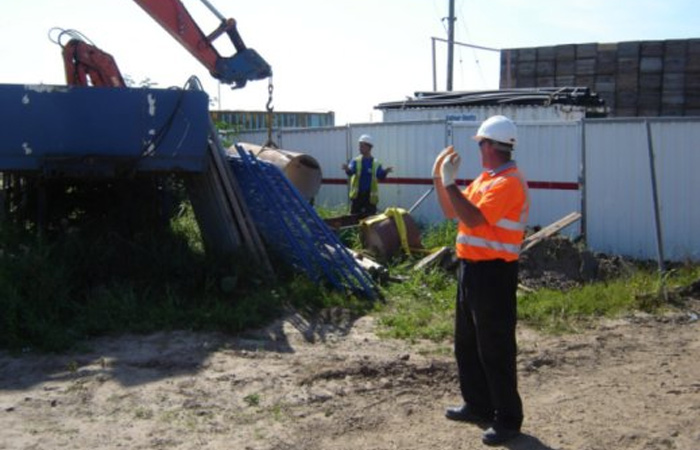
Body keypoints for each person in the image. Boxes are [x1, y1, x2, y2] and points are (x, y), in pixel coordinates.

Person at [433, 115, 529, 446]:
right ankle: (478, 404)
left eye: (480, 144)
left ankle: (507, 419)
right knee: (468, 344)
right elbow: (451, 211)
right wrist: (439, 178)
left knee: (496, 347)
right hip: (471, 270)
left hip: (494, 274)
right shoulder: (486, 179)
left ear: (489, 146)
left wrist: (449, 183)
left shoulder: (508, 183)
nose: (478, 149)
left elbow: (472, 219)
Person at [342, 134, 393, 218]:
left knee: (370, 218)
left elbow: (380, 176)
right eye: (360, 146)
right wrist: (347, 169)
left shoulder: (376, 163)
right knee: (354, 217)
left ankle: (368, 231)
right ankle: (355, 231)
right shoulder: (355, 161)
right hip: (357, 196)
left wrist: (385, 172)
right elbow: (351, 172)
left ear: (369, 147)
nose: (360, 148)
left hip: (370, 197)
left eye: (362, 146)